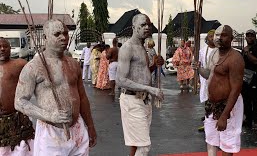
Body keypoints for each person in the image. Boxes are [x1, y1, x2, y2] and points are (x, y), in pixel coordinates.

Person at [15, 19, 97, 155]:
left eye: (65, 33)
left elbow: (82, 98)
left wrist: (91, 126)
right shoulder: (34, 66)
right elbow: (19, 101)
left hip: (77, 128)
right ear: (45, 37)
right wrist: (50, 116)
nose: (63, 37)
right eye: (57, 34)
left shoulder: (73, 64)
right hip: (50, 133)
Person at [116, 13, 164, 156]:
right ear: (134, 27)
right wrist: (150, 89)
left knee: (137, 143)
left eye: (148, 24)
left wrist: (155, 65)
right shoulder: (127, 48)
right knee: (144, 147)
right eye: (143, 25)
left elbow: (141, 74)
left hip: (144, 100)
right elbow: (120, 80)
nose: (147, 28)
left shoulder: (142, 47)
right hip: (132, 100)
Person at [196, 25, 244, 155]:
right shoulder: (214, 53)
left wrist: (224, 115)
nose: (219, 38)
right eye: (217, 35)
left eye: (223, 35)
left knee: (227, 144)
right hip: (212, 104)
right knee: (211, 140)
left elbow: (236, 88)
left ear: (231, 38)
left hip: (229, 106)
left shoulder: (235, 58)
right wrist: (198, 69)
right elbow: (210, 75)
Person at [0, 38, 34, 155]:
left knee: (22, 150)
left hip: (18, 118)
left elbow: (38, 74)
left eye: (5, 46)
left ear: (10, 48)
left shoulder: (19, 64)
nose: (2, 49)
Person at [197, 29, 218, 131]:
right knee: (207, 100)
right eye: (211, 37)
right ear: (207, 38)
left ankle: (215, 122)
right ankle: (208, 123)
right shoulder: (203, 50)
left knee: (216, 101)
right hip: (205, 79)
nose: (213, 38)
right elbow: (199, 65)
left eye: (214, 37)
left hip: (217, 80)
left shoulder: (219, 50)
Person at [241, 29, 257, 130]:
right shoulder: (244, 49)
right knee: (246, 100)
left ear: (255, 37)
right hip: (244, 78)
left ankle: (256, 122)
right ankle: (248, 119)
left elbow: (256, 61)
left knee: (255, 101)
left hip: (255, 78)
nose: (250, 37)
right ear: (245, 37)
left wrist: (248, 53)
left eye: (252, 36)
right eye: (248, 36)